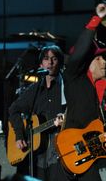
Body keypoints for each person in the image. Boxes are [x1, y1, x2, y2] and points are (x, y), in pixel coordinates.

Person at [62, 2, 106, 181]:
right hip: (70, 152)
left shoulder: (97, 88)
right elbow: (78, 53)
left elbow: (94, 130)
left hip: (87, 157)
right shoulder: (74, 77)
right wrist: (96, 19)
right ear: (88, 61)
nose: (104, 62)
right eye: (99, 58)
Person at [8, 44, 67, 181]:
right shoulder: (34, 89)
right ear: (41, 64)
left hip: (60, 149)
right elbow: (13, 109)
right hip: (38, 154)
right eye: (46, 59)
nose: (50, 62)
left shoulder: (67, 87)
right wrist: (19, 134)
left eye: (54, 59)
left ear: (60, 63)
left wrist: (65, 119)